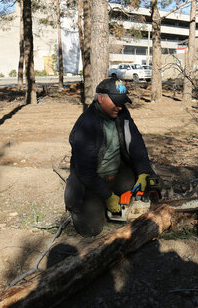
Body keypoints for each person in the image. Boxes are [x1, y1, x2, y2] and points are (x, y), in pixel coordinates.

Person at [65, 78, 155, 236]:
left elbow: (136, 143)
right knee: (91, 230)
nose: (120, 107)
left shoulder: (122, 114)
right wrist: (107, 196)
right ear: (100, 98)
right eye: (116, 102)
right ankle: (93, 205)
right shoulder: (86, 124)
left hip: (117, 173)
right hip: (91, 180)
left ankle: (118, 200)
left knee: (146, 186)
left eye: (122, 103)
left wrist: (143, 173)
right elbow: (85, 171)